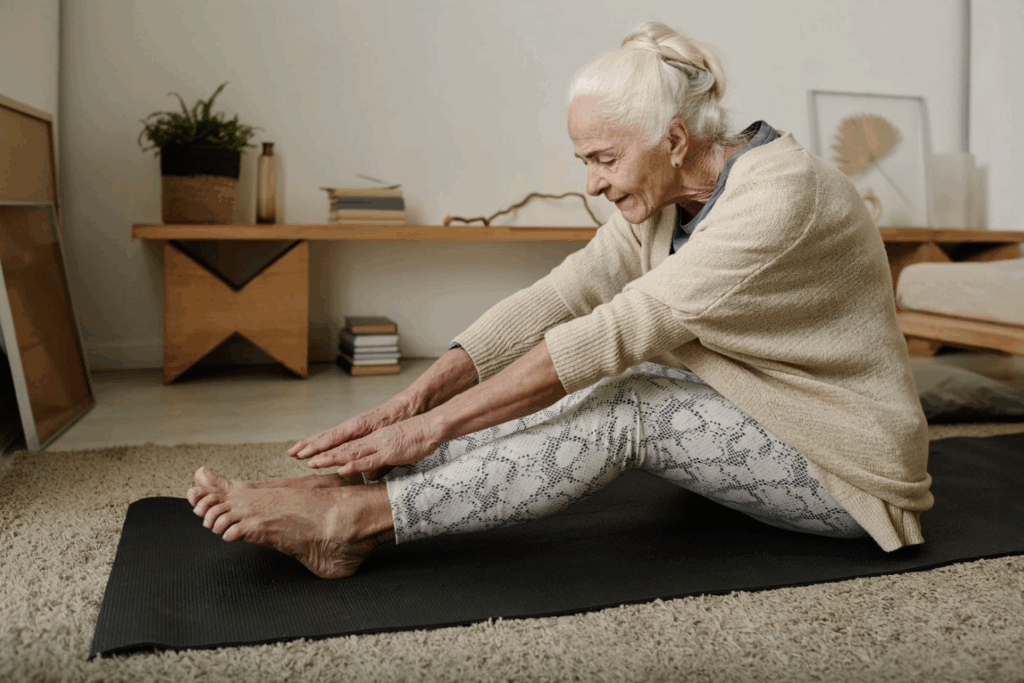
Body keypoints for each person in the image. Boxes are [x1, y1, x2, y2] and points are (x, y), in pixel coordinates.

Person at [188, 22, 933, 579]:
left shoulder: (779, 195)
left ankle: (357, 520)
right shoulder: (667, 195)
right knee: (592, 380)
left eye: (605, 160)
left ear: (673, 138)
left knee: (627, 399)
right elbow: (559, 296)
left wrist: (432, 427)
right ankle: (349, 482)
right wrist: (404, 409)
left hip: (851, 470)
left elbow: (614, 331)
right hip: (755, 405)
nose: (593, 183)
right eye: (585, 161)